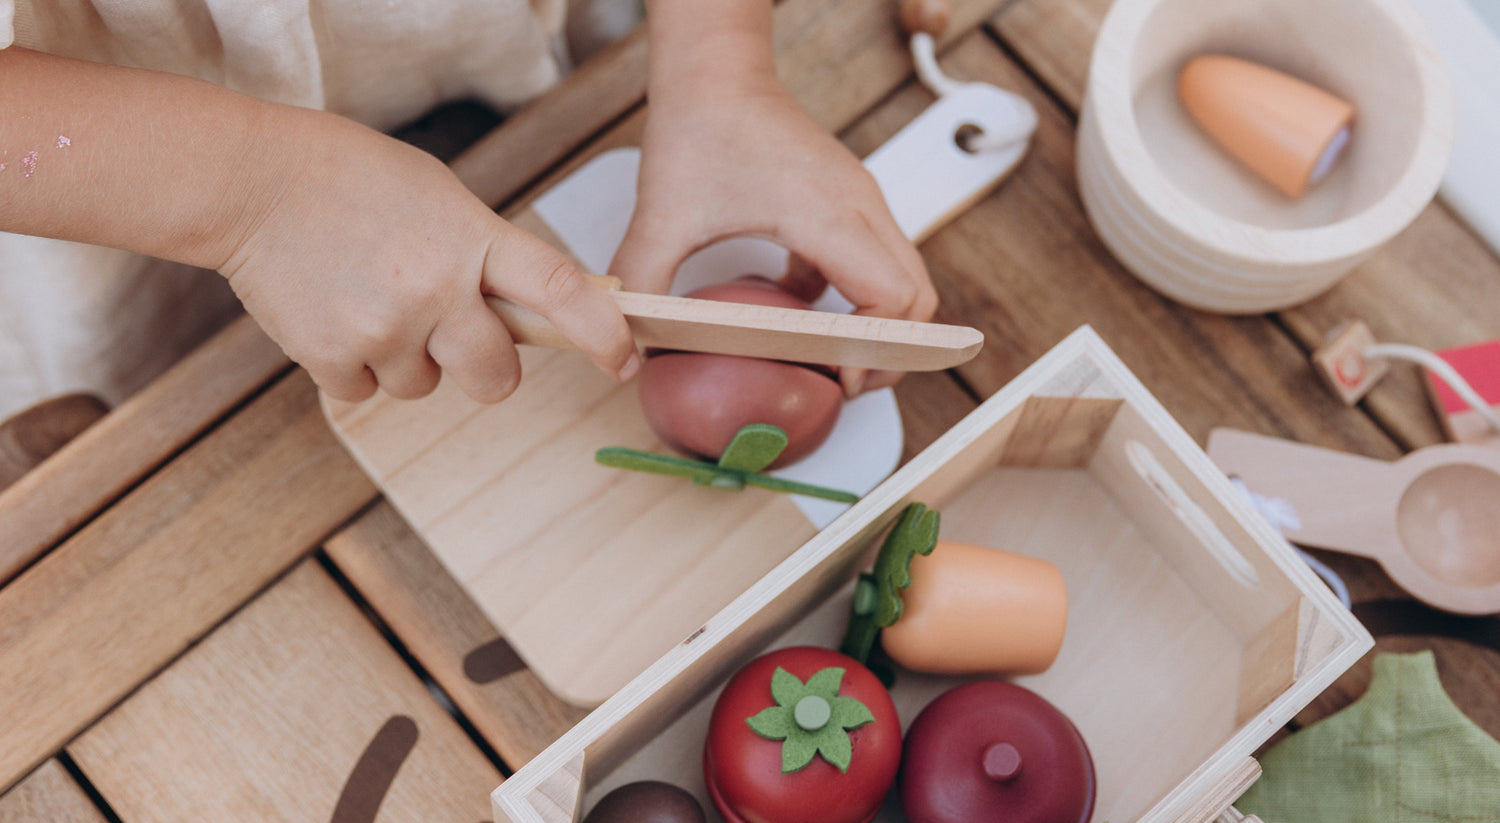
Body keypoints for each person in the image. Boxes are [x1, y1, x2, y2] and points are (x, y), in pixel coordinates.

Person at [0, 0, 936, 423]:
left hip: (517, 48)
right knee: (200, 401)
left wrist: (719, 63)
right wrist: (253, 198)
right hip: (126, 169)